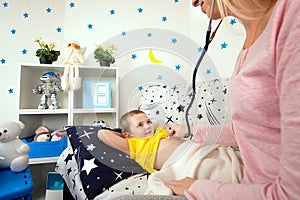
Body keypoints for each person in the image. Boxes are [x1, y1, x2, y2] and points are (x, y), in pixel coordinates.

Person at [165, 0, 300, 199]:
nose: (193, 2)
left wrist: (198, 189)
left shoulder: (291, 17)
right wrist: (189, 130)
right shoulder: (247, 47)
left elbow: (292, 194)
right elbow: (250, 130)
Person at [98, 109, 243, 195]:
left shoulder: (157, 133)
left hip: (196, 149)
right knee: (213, 168)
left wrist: (147, 126)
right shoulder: (133, 145)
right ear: (128, 135)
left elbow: (160, 122)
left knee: (228, 158)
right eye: (140, 125)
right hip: (182, 162)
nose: (148, 126)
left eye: (148, 122)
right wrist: (125, 135)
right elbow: (102, 134)